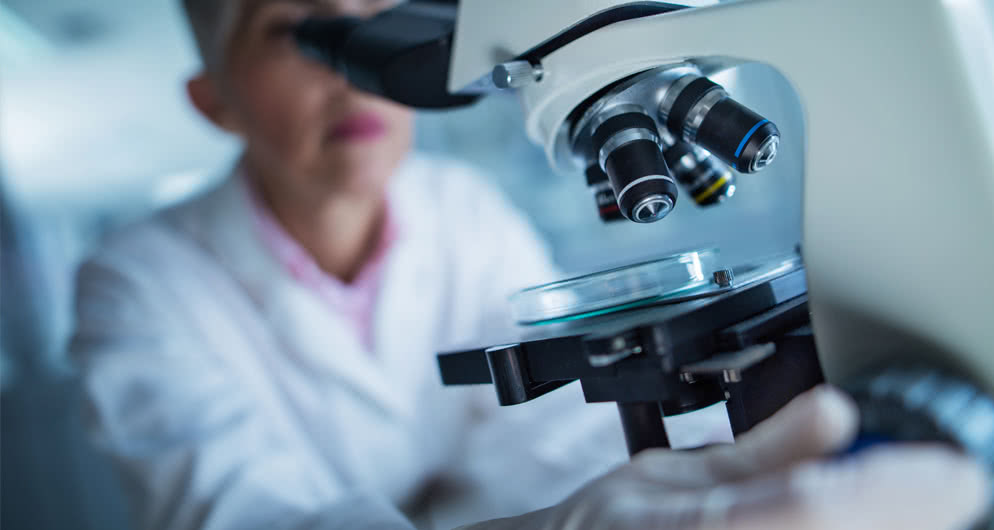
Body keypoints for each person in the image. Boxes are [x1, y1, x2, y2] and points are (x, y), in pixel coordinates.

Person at [70, 0, 990, 529]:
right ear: (213, 100)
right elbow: (243, 517)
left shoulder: (462, 211)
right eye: (295, 31)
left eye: (370, 18)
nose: (350, 70)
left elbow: (544, 452)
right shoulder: (137, 280)